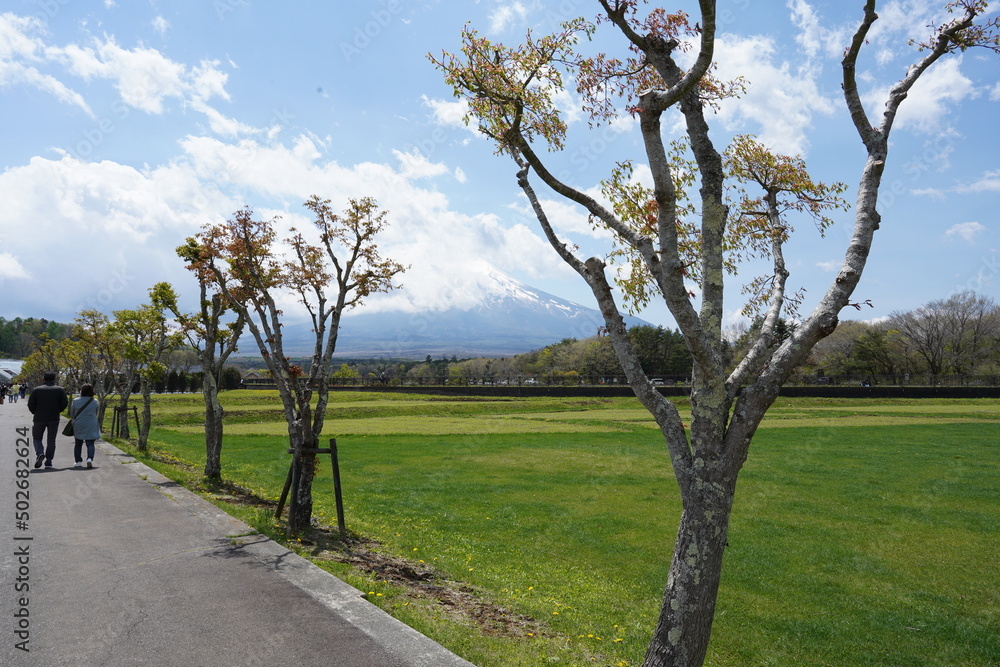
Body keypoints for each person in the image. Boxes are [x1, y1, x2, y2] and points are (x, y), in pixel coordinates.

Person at [27, 372, 69, 469]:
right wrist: (58, 410)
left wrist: (35, 412)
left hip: (39, 418)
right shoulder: (60, 390)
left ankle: (40, 453)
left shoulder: (36, 390)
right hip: (54, 417)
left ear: (43, 379)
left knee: (37, 438)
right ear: (54, 379)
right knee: (51, 440)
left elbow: (30, 404)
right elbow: (64, 403)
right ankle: (49, 461)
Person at [70, 384, 100, 469]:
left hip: (78, 424)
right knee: (90, 443)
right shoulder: (95, 401)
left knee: (78, 443)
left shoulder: (75, 401)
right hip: (91, 424)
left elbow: (72, 414)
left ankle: (78, 461)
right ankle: (89, 459)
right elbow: (96, 413)